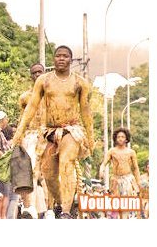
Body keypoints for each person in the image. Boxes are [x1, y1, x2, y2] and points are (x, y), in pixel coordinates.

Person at [11, 46, 95, 219]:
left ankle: (65, 211)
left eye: (65, 56)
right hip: (49, 131)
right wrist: (19, 132)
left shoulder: (80, 83)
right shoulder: (44, 81)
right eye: (58, 56)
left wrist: (91, 136)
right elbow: (32, 107)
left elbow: (86, 111)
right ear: (53, 59)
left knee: (66, 163)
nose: (61, 59)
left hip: (71, 130)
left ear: (71, 60)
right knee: (48, 175)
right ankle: (63, 203)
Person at [16, 63, 46, 218]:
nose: (37, 75)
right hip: (31, 137)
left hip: (49, 136)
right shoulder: (25, 97)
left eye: (40, 72)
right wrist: (18, 139)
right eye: (34, 73)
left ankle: (51, 209)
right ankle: (30, 208)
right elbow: (23, 120)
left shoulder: (52, 95)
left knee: (48, 175)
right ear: (31, 75)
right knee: (31, 173)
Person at [99, 128, 142, 219]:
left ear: (126, 139)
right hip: (115, 180)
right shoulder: (112, 151)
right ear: (115, 138)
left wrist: (138, 183)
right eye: (118, 137)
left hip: (128, 180)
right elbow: (104, 163)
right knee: (116, 205)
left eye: (123, 137)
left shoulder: (131, 152)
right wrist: (101, 170)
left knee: (125, 205)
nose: (120, 138)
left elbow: (136, 168)